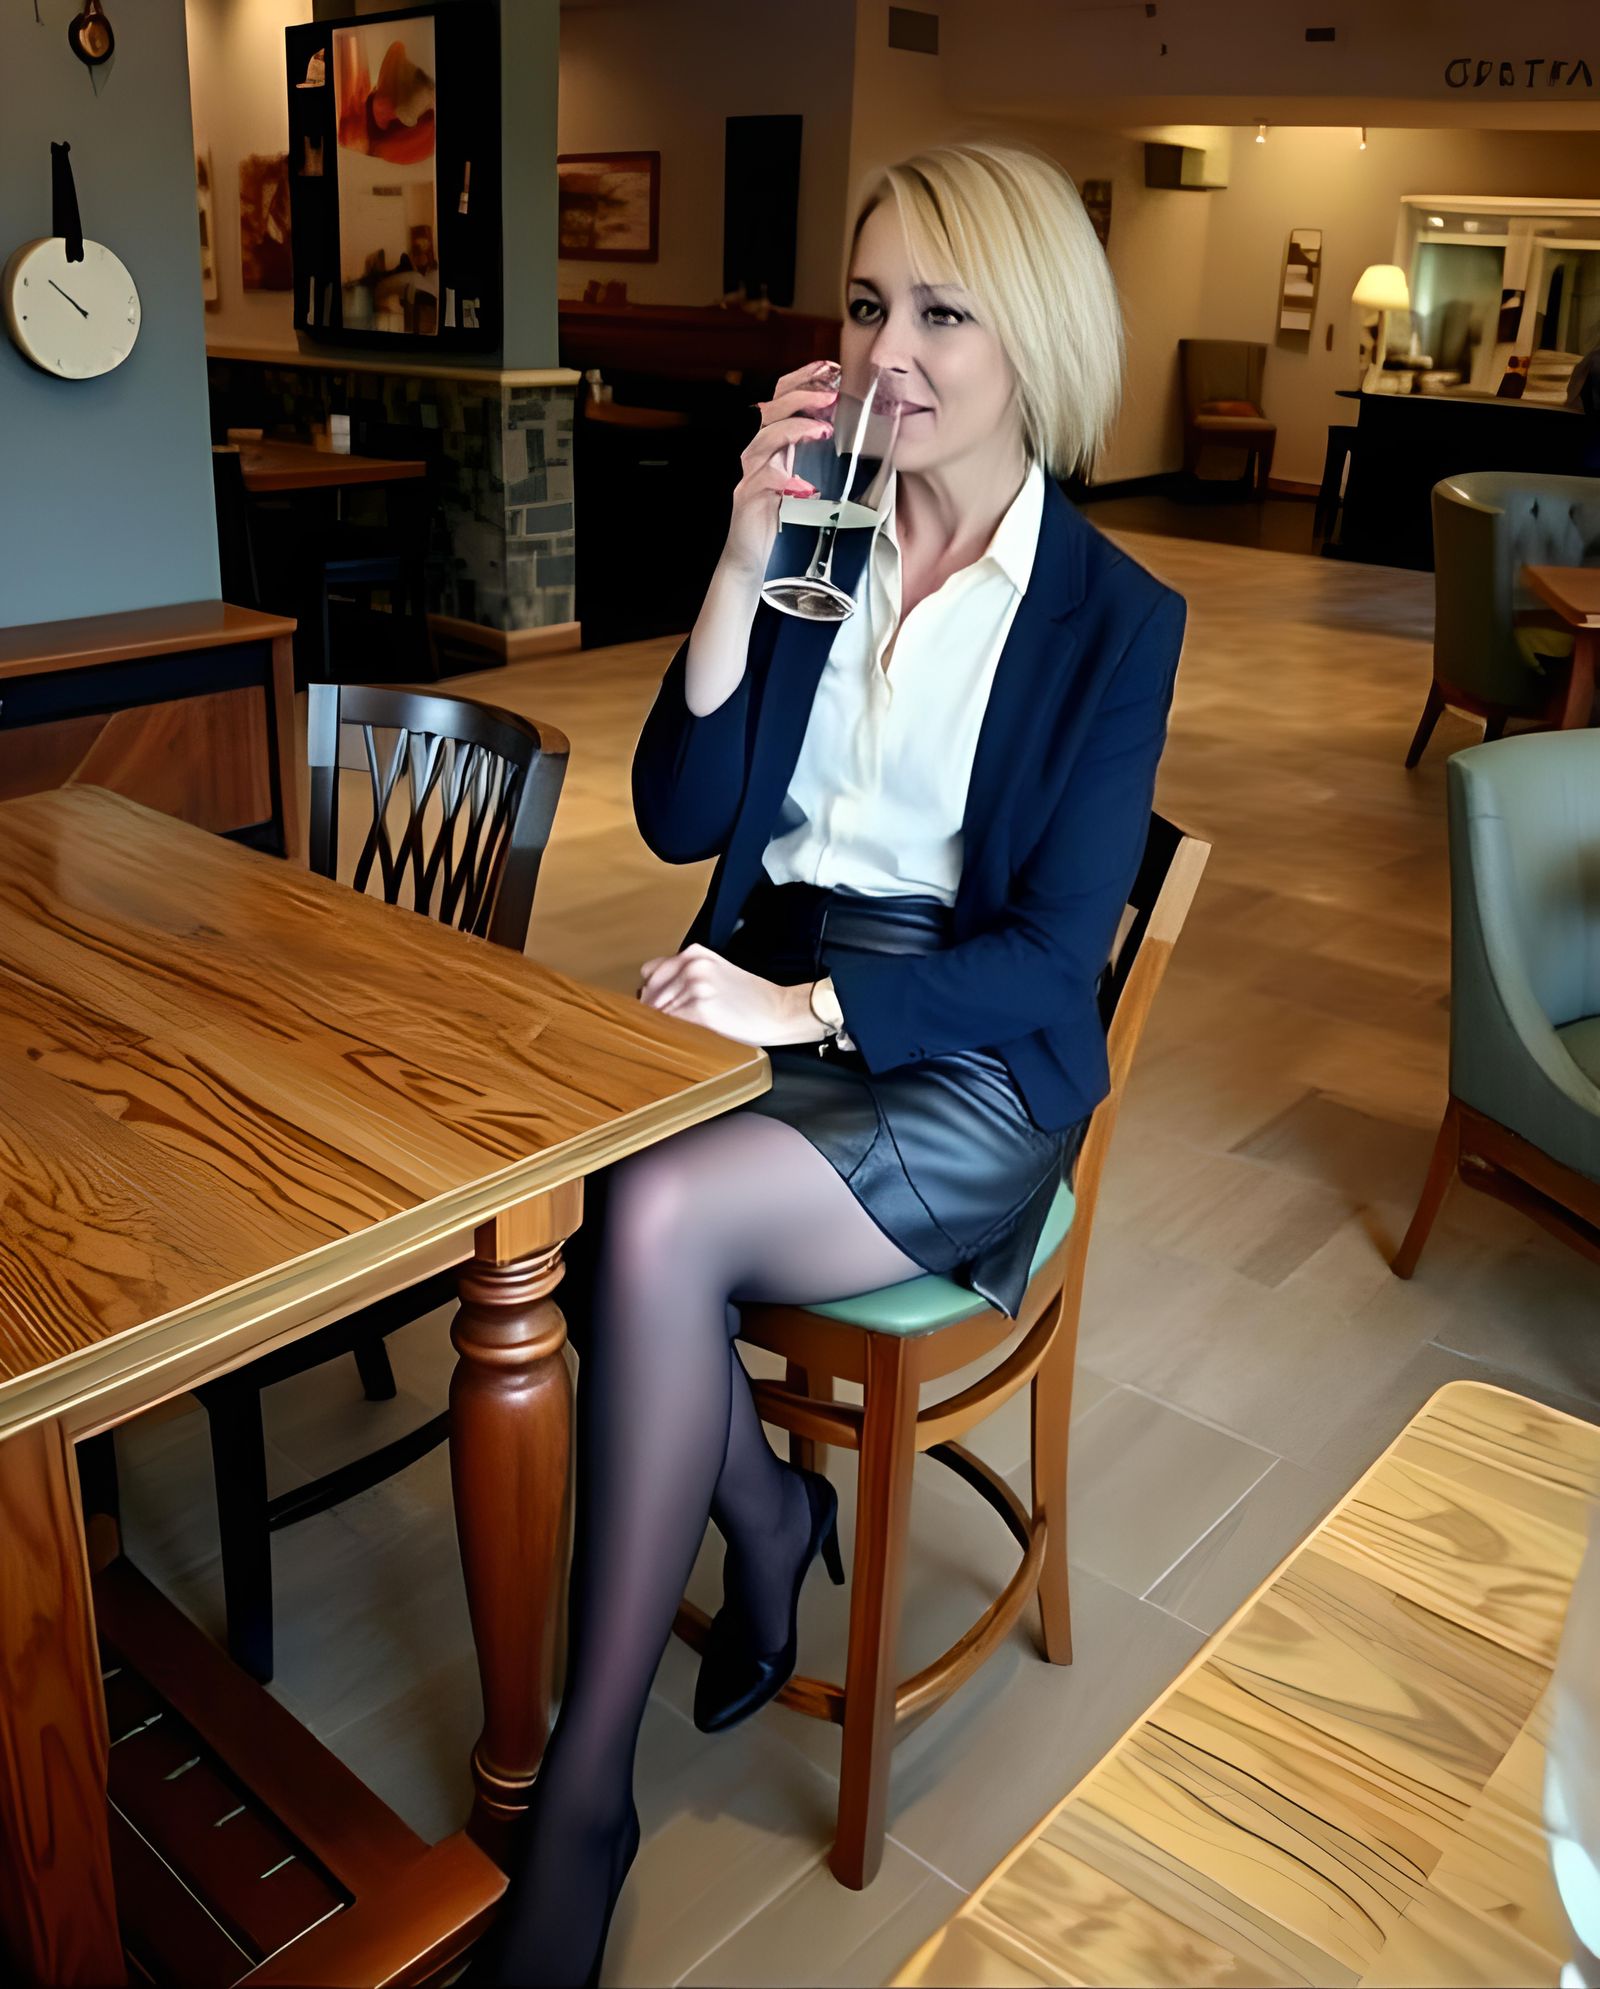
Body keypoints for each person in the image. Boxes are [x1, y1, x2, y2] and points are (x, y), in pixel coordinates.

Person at [469, 141, 1188, 1987]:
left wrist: (807, 1018)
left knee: (648, 1219)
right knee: (615, 1186)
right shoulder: (817, 537)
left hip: (965, 1058)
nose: (894, 351)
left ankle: (581, 1797)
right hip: (766, 983)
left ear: (1034, 334)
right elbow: (680, 809)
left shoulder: (1114, 617)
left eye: (946, 311)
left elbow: (1046, 953)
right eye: (869, 304)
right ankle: (769, 1508)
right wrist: (733, 556)